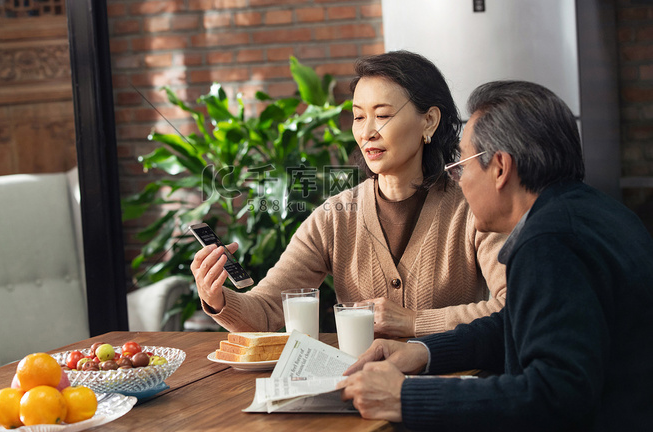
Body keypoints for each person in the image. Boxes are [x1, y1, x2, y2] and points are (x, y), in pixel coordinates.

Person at [337, 80, 653, 432]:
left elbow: (555, 395)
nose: (458, 180)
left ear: (500, 168)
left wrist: (405, 397)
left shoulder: (548, 243)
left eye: (463, 164)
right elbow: (522, 325)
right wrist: (424, 352)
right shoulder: (598, 212)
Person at [190, 51, 507, 338]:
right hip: (361, 389)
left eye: (382, 115)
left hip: (450, 389)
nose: (367, 131)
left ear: (429, 121)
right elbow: (265, 311)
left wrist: (413, 322)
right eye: (358, 116)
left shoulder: (475, 208)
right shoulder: (334, 216)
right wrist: (216, 296)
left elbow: (511, 308)